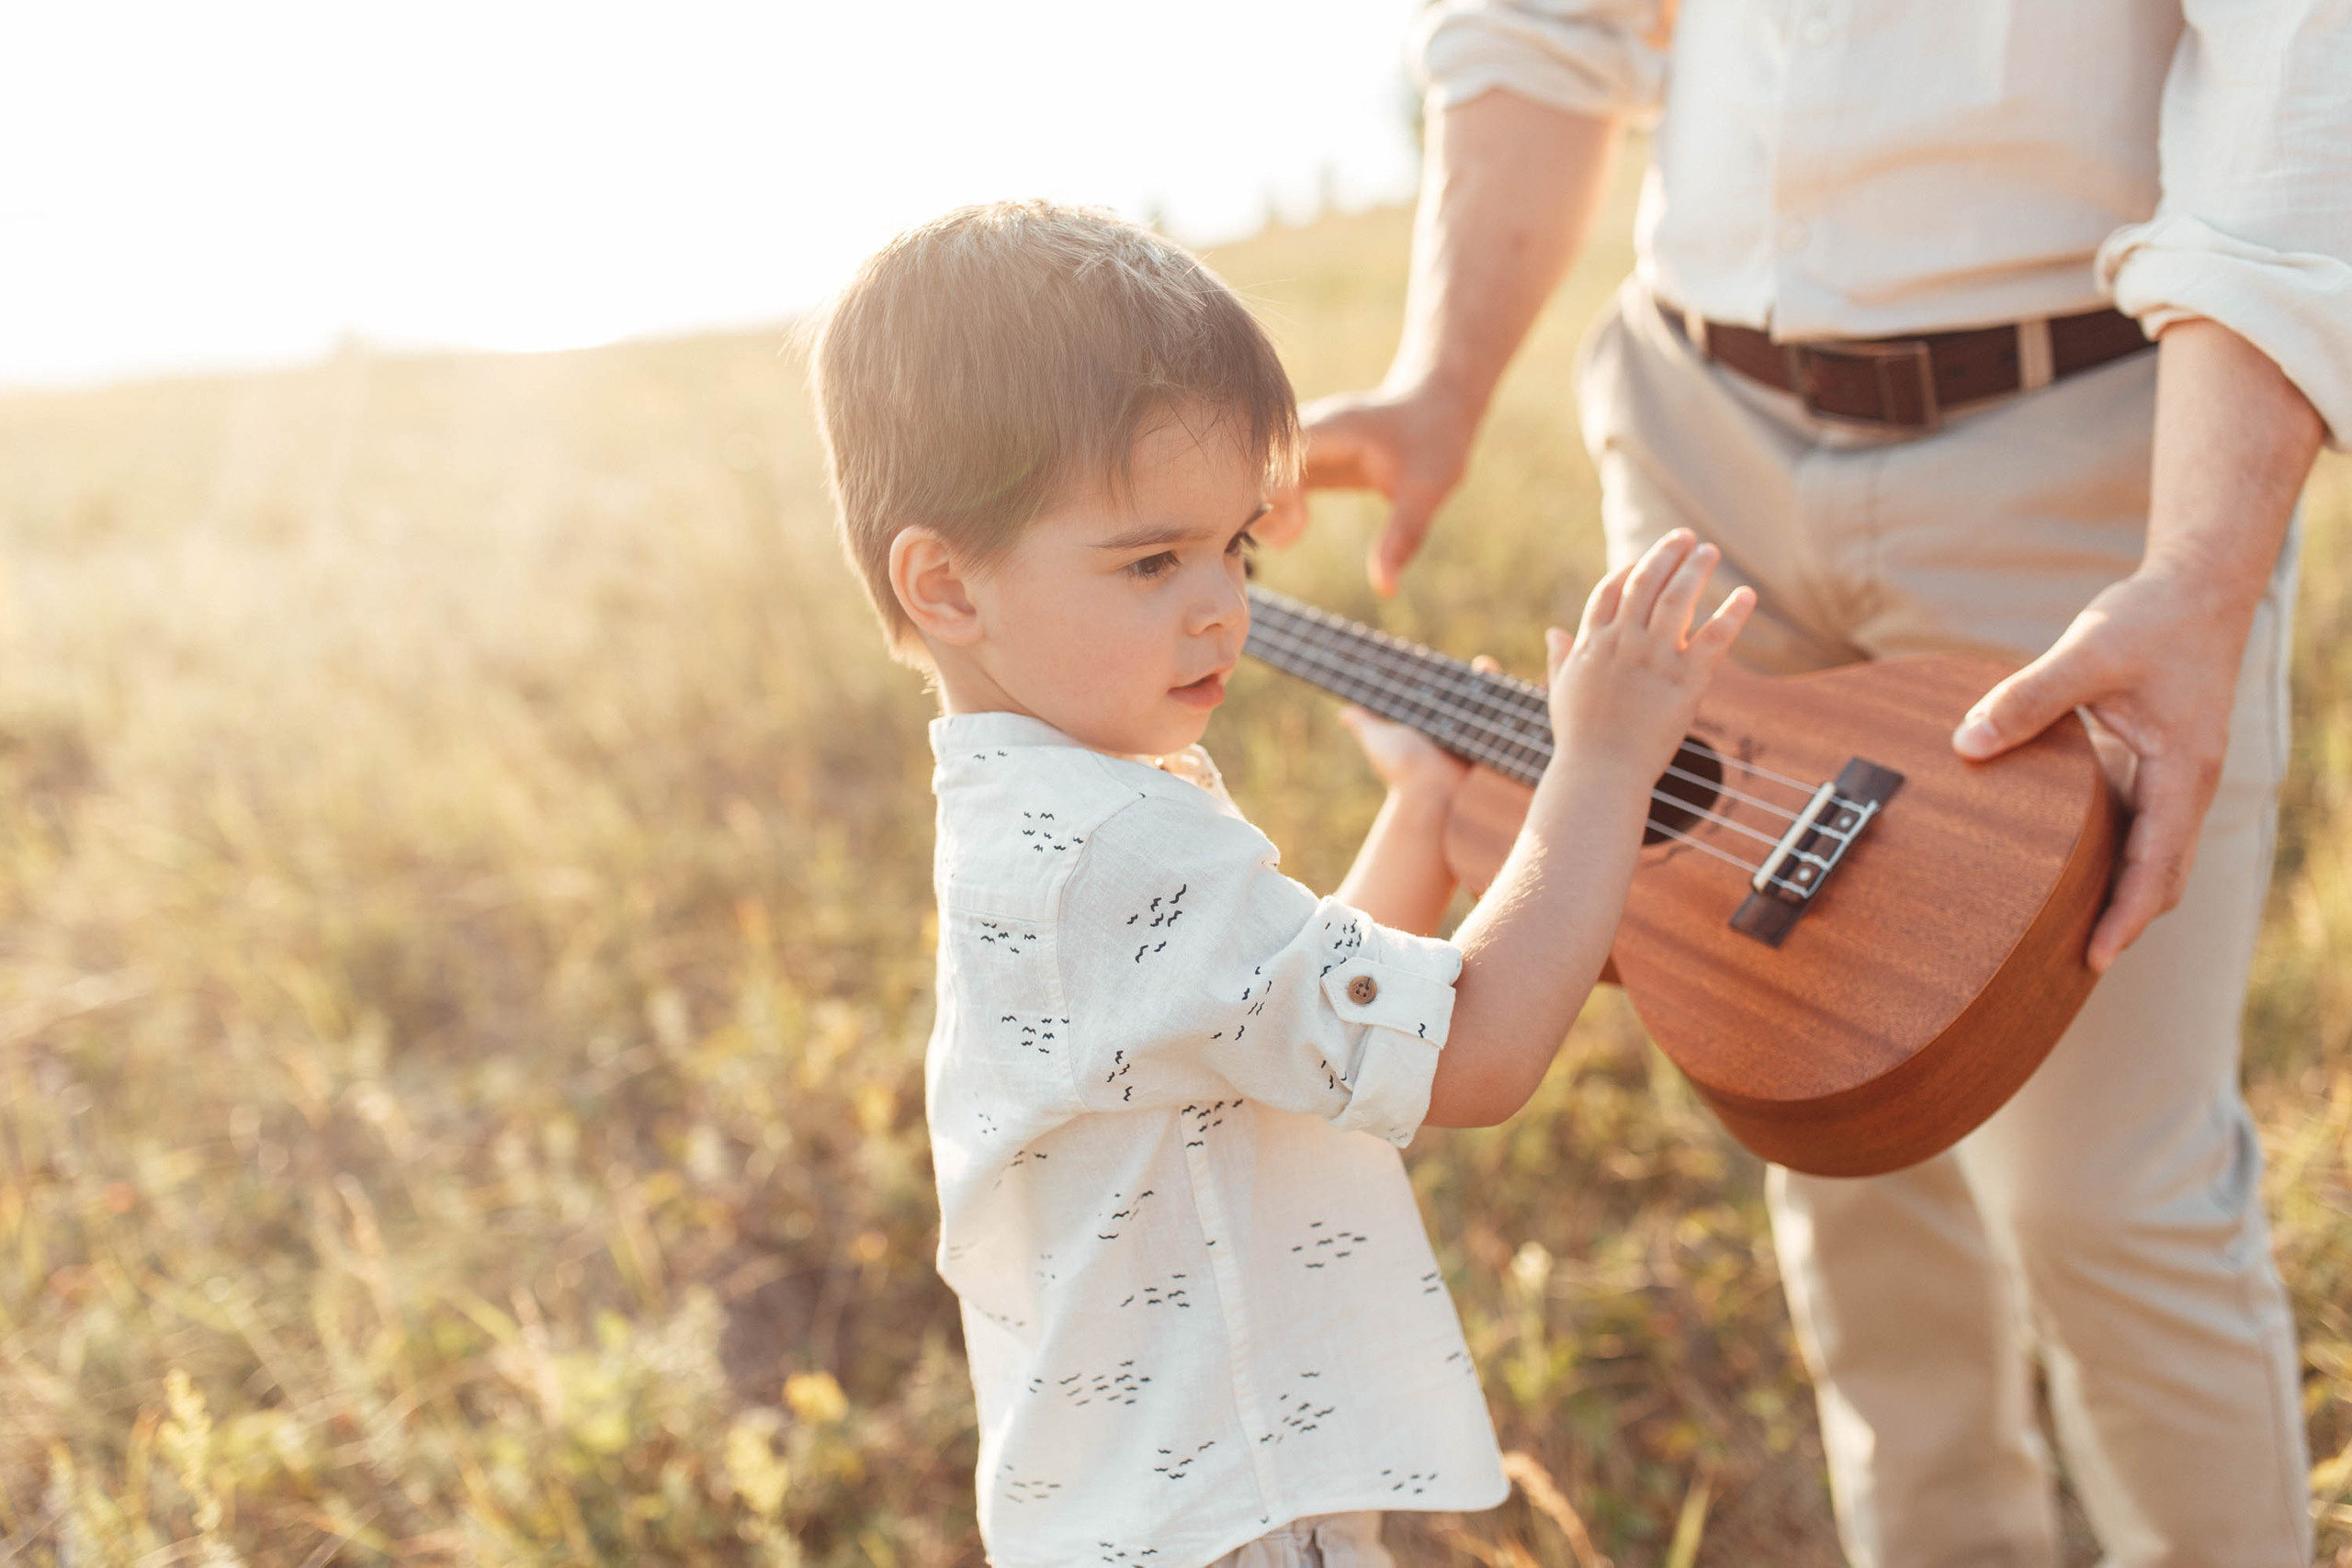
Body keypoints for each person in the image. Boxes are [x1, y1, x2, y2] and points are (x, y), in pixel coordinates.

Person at [1268, 3, 2348, 1562]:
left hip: (2091, 453)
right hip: (1700, 434)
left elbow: (2304, 77)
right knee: (1827, 1127)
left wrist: (2199, 570)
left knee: (2112, 1198)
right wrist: (1444, 374)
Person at [807, 199, 1753, 1566]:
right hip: (1232, 1530)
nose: (1223, 606)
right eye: (1150, 561)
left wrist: (1425, 809)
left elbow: (1280, 1019)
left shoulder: (1044, 813)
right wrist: (1599, 767)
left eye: (1237, 545)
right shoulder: (1112, 847)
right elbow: (1474, 1055)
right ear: (946, 587)